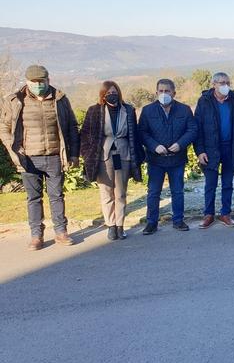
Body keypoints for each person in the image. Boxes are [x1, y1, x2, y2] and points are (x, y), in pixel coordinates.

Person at [0, 65, 79, 249]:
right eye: (34, 82)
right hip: (28, 158)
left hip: (54, 156)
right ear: (27, 82)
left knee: (57, 196)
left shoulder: (60, 99)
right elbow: (4, 128)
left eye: (41, 82)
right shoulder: (15, 101)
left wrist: (74, 153)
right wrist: (13, 150)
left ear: (48, 80)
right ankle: (36, 235)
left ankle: (61, 232)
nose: (38, 85)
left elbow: (72, 128)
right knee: (33, 198)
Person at [80, 81, 143, 241]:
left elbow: (134, 134)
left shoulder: (128, 110)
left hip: (123, 154)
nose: (111, 95)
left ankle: (120, 225)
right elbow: (85, 134)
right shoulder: (94, 111)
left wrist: (139, 156)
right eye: (108, 93)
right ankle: (111, 225)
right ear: (103, 95)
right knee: (106, 192)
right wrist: (87, 154)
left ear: (119, 93)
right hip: (103, 155)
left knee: (120, 193)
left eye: (114, 91)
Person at [138, 78, 197, 235]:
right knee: (153, 192)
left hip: (177, 159)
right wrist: (154, 146)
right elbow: (142, 132)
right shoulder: (147, 110)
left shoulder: (184, 110)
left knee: (177, 191)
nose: (164, 94)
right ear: (156, 92)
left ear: (174, 92)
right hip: (155, 159)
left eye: (167, 91)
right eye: (161, 91)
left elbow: (192, 130)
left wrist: (180, 144)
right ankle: (151, 223)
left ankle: (178, 220)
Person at [194, 72, 234, 229]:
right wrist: (200, 151)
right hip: (210, 148)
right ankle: (208, 214)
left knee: (228, 183)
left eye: (227, 82)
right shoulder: (204, 101)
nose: (225, 85)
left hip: (231, 147)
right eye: (221, 82)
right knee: (210, 184)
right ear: (214, 84)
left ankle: (225, 213)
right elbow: (197, 128)